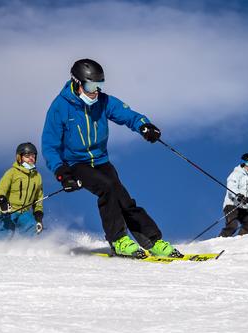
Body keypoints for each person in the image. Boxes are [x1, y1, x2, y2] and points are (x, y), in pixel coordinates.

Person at [41, 58, 181, 258]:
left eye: (99, 85)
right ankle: (118, 240)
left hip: (100, 160)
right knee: (106, 188)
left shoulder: (103, 101)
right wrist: (61, 172)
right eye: (91, 85)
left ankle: (153, 241)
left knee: (123, 198)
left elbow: (128, 115)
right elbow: (50, 145)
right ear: (77, 82)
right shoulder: (60, 107)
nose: (95, 91)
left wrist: (144, 126)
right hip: (76, 164)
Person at [0, 142, 44, 239]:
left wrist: (38, 214)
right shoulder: (12, 172)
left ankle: (31, 249)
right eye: (27, 156)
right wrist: (1, 199)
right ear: (19, 157)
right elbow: (2, 188)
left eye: (33, 156)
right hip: (9, 210)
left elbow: (38, 198)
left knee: (31, 227)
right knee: (7, 229)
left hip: (24, 211)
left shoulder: (37, 177)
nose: (31, 158)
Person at [219, 153, 248, 237]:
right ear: (244, 164)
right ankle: (219, 241)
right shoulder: (236, 174)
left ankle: (240, 242)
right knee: (232, 226)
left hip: (244, 207)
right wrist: (238, 195)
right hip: (232, 205)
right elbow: (231, 187)